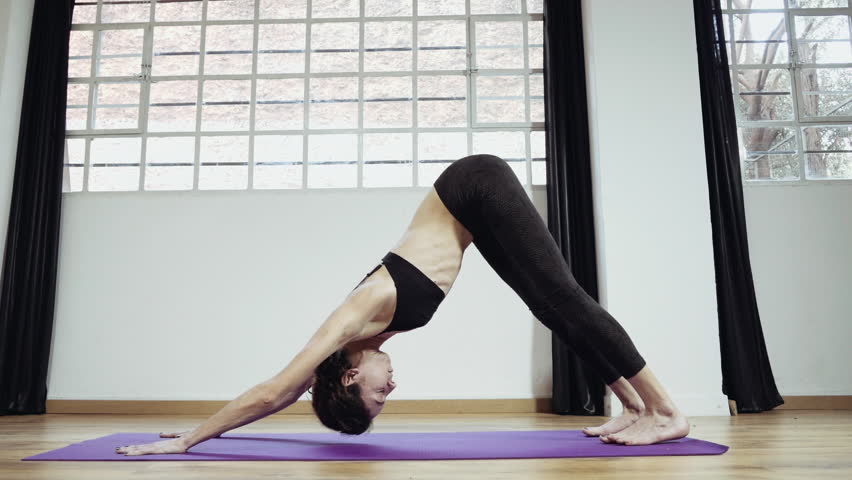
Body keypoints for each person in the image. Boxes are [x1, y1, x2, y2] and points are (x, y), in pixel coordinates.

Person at [116, 154, 689, 456]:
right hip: (472, 208)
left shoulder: (350, 320)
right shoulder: (367, 338)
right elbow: (283, 397)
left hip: (474, 186)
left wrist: (190, 438)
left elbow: (276, 391)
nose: (391, 390)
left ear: (346, 379)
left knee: (563, 296)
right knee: (550, 305)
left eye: (376, 396)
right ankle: (634, 408)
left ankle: (665, 411)